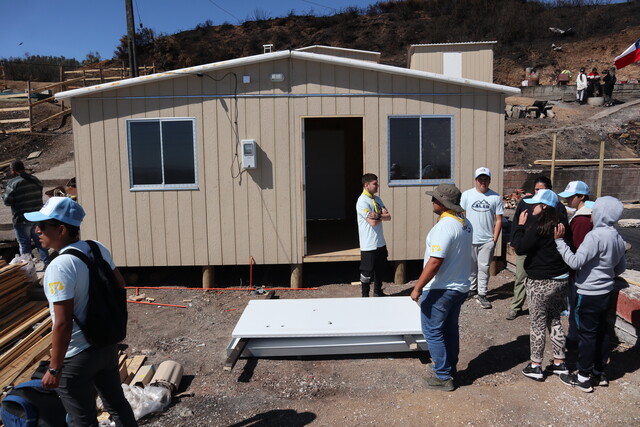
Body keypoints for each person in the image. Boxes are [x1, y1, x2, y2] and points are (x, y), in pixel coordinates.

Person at [25, 197, 137, 426]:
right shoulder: (96, 247)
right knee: (117, 404)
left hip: (76, 356)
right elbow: (120, 284)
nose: (37, 230)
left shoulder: (59, 266)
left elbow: (63, 323)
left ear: (61, 229)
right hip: (105, 345)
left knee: (82, 420)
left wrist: (54, 369)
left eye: (43, 225)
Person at [554, 196, 626, 392]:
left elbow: (576, 262)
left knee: (587, 335)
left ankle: (583, 376)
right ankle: (598, 372)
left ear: (602, 213)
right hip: (606, 292)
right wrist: (604, 272)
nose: (592, 214)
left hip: (588, 292)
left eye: (595, 211)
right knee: (602, 332)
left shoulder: (595, 236)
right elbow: (620, 267)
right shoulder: (618, 237)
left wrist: (560, 243)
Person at [410, 183, 472, 391]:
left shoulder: (445, 226)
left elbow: (435, 261)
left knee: (433, 331)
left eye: (435, 198)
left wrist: (418, 287)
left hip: (441, 288)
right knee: (449, 329)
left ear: (442, 203)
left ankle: (443, 376)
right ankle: (449, 369)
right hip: (459, 287)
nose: (432, 201)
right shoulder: (464, 222)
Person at [511, 189, 571, 381]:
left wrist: (520, 226)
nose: (532, 206)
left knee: (537, 323)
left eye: (536, 204)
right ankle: (559, 362)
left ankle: (536, 365)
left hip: (540, 282)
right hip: (560, 280)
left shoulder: (539, 228)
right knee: (554, 320)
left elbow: (520, 248)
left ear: (544, 207)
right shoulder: (562, 226)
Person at [507, 176, 570, 320]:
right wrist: (516, 240)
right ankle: (516, 306)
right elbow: (517, 223)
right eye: (536, 189)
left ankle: (547, 308)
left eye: (542, 190)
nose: (538, 192)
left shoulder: (558, 207)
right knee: (521, 277)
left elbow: (563, 229)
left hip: (543, 254)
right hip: (525, 245)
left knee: (540, 314)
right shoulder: (525, 203)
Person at [461, 167, 503, 309]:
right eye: (480, 179)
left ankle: (482, 293)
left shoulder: (495, 197)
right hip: (469, 238)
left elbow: (498, 220)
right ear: (475, 180)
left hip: (487, 240)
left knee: (484, 268)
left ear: (489, 180)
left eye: (486, 179)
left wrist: (494, 240)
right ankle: (472, 289)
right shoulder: (466, 195)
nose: (483, 182)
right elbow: (460, 216)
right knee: (470, 267)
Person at [558, 180, 594, 346]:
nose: (567, 200)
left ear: (581, 197)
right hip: (583, 271)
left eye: (571, 197)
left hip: (579, 272)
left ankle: (575, 339)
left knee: (576, 308)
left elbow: (577, 248)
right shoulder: (587, 215)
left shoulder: (582, 220)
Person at [2, 160, 50, 266]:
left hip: (21, 219)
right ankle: (48, 265)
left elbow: (7, 202)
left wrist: (3, 194)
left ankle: (29, 270)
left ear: (13, 170)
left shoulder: (13, 183)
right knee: (41, 244)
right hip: (37, 218)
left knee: (24, 246)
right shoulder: (35, 180)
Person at [356, 173, 391, 297]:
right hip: (368, 243)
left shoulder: (377, 199)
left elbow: (389, 217)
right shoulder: (362, 201)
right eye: (375, 184)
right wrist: (380, 216)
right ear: (366, 185)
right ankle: (365, 295)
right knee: (366, 272)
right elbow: (372, 222)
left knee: (380, 269)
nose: (378, 186)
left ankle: (378, 292)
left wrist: (378, 216)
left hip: (380, 242)